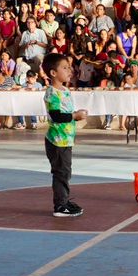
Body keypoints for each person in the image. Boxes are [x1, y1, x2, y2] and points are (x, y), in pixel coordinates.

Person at [42, 53, 87, 218]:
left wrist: (75, 115)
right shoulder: (52, 93)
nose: (70, 70)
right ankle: (60, 206)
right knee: (61, 172)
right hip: (57, 141)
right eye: (65, 67)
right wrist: (75, 116)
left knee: (65, 172)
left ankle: (64, 200)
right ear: (53, 73)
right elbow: (56, 116)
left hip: (65, 140)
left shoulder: (65, 90)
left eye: (69, 67)